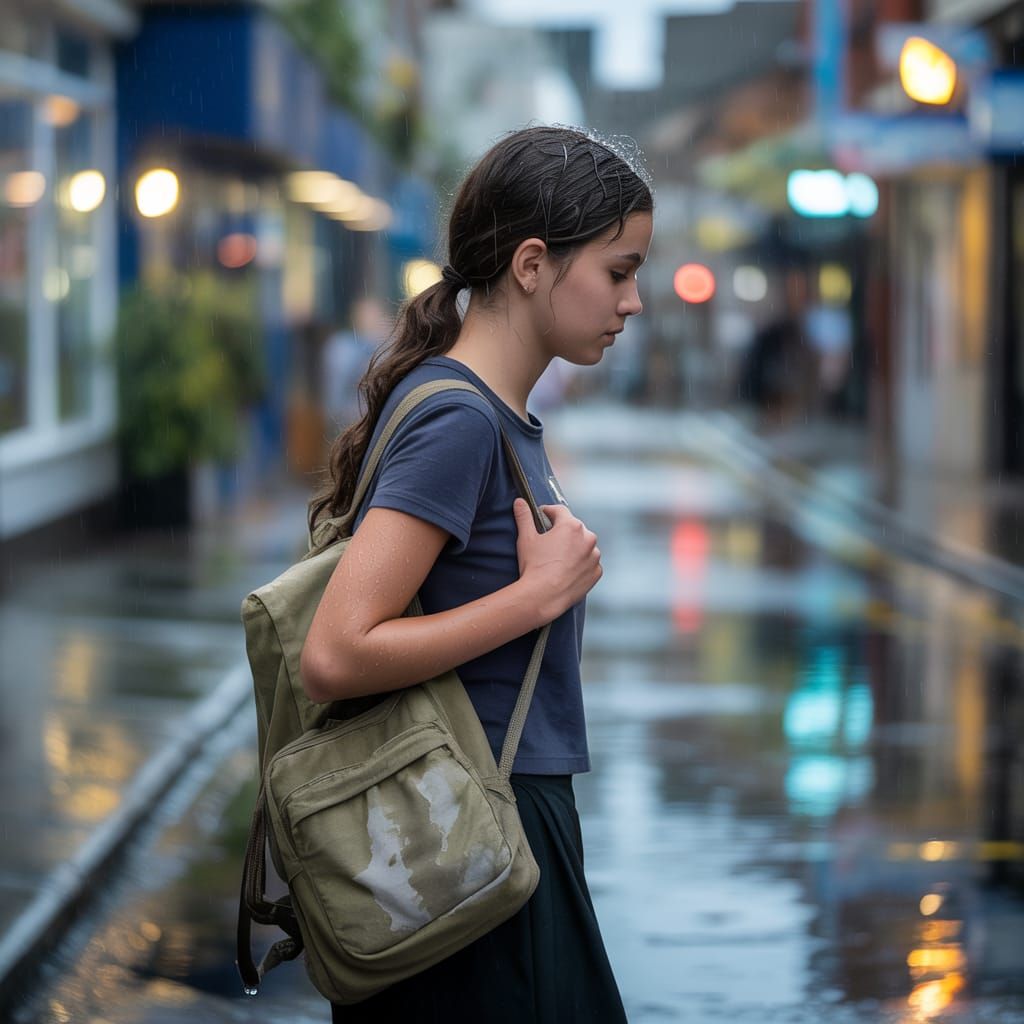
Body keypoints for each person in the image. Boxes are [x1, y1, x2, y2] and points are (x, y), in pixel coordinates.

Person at [301, 125, 654, 1023]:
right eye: (618, 271)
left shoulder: (488, 415)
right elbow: (337, 653)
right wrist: (536, 596)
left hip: (491, 822)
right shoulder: (460, 421)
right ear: (532, 264)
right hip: (474, 830)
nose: (635, 300)